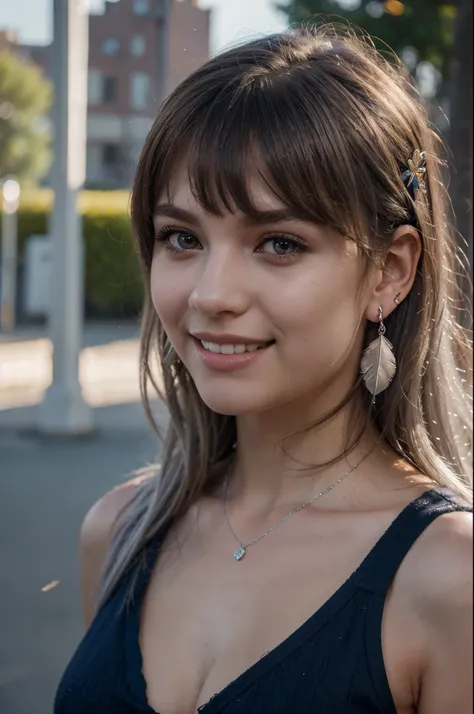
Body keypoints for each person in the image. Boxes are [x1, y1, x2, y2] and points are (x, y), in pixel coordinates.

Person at [55, 24, 473, 714]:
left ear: (389, 273)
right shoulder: (119, 533)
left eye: (278, 243)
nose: (211, 294)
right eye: (182, 238)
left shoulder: (450, 578)